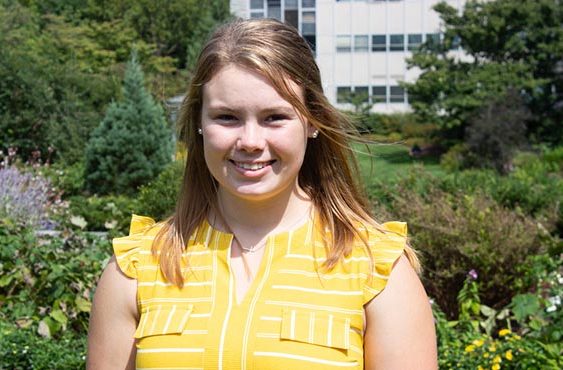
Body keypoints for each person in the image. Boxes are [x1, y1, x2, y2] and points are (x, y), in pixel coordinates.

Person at [87, 18, 437, 370]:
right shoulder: (136, 269)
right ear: (199, 122)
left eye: (274, 117)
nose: (251, 142)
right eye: (227, 117)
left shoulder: (376, 270)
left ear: (312, 120)